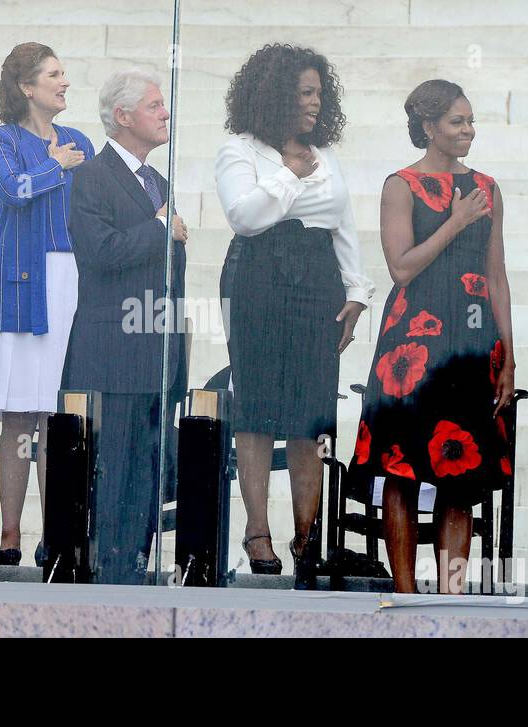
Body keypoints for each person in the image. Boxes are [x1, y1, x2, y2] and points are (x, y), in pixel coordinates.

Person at [349, 80, 516, 594]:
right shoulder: (400, 185)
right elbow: (401, 269)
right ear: (428, 127)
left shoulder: (488, 186)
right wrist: (454, 221)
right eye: (456, 122)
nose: (468, 130)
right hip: (411, 345)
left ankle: (453, 593)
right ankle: (404, 593)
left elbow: (496, 273)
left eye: (470, 121)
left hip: (470, 345)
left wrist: (507, 354)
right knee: (402, 470)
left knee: (460, 475)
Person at [215, 44, 372, 585]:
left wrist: (356, 292)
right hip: (257, 273)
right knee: (256, 404)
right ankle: (257, 530)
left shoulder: (324, 154)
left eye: (319, 94)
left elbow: (341, 220)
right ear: (277, 95)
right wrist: (287, 176)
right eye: (305, 93)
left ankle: (308, 535)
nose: (314, 103)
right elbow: (247, 216)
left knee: (311, 410)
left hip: (317, 277)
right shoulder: (240, 151)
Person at [0, 42, 94, 566]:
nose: (64, 83)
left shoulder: (80, 140)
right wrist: (53, 165)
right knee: (20, 414)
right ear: (26, 87)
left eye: (65, 73)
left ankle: (56, 533)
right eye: (53, 75)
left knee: (55, 411)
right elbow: (12, 189)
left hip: (69, 275)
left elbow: (95, 204)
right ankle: (10, 534)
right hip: (20, 283)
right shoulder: (0, 139)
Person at [62, 69, 186, 584]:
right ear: (122, 116)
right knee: (112, 475)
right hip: (112, 352)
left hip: (156, 355)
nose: (165, 114)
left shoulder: (158, 180)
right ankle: (109, 576)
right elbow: (100, 252)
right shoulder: (91, 176)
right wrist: (159, 228)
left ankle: (133, 566)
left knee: (146, 474)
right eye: (155, 106)